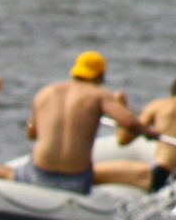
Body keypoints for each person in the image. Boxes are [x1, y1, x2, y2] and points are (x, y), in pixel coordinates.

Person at [18, 50, 148, 195]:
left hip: (39, 175)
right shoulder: (99, 94)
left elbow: (31, 133)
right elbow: (130, 123)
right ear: (100, 76)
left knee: (15, 173)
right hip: (75, 180)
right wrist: (150, 132)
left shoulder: (45, 92)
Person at [103, 75, 176, 191]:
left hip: (163, 175)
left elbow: (123, 140)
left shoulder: (160, 106)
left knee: (98, 173)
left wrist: (121, 107)